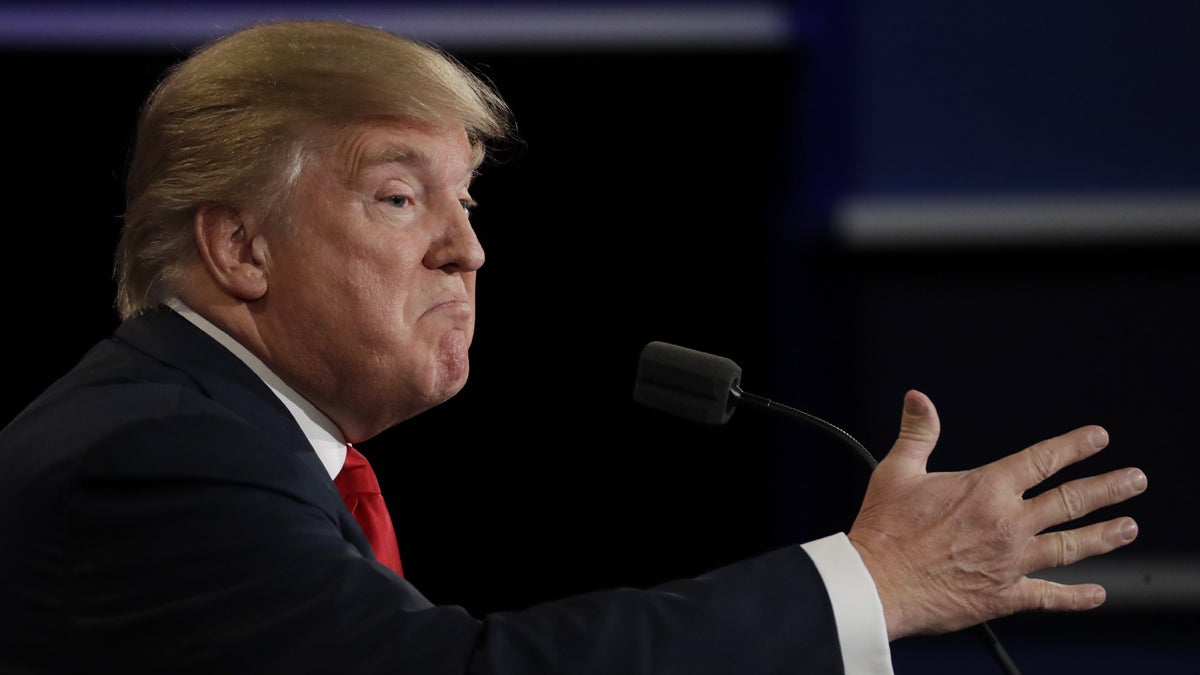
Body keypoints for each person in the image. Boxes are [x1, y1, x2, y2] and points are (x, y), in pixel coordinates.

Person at [0, 19, 1146, 674]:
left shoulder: (220, 429)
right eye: (402, 200)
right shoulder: (155, 453)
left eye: (471, 204)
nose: (468, 253)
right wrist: (869, 581)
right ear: (241, 247)